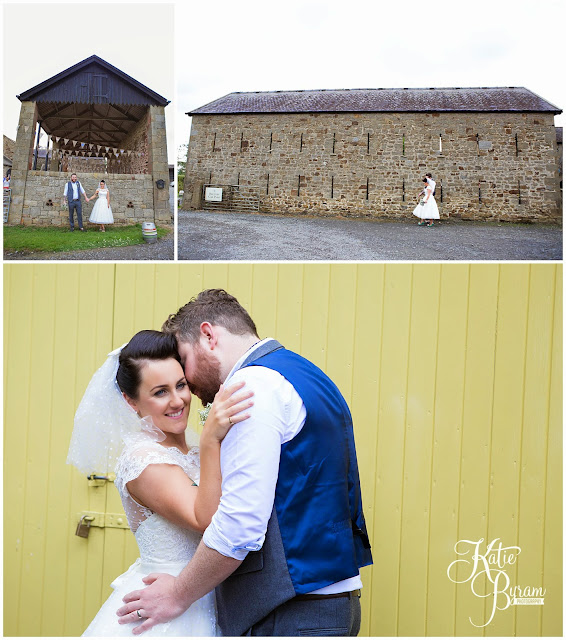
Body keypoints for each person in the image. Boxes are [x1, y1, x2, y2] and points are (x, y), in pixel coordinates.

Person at [116, 289, 373, 636]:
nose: (187, 386)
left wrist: (178, 594)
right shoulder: (305, 373)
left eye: (185, 361)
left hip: (291, 611)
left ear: (208, 336)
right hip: (329, 599)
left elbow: (239, 524)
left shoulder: (249, 387)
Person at [67, 330, 254, 636]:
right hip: (169, 606)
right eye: (160, 392)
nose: (178, 400)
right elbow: (205, 517)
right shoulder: (143, 461)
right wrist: (211, 439)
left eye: (181, 385)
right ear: (131, 401)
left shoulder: (189, 451)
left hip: (207, 594)